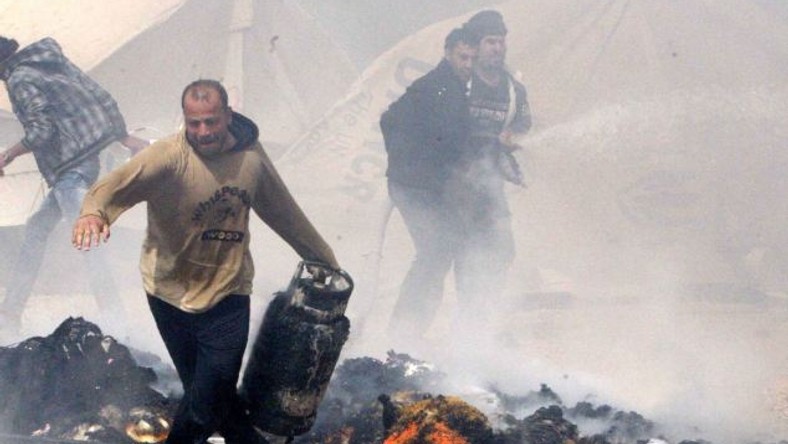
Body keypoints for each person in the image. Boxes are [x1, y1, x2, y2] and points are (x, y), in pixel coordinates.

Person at [72, 79, 339, 444]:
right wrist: (93, 213)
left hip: (228, 293)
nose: (203, 132)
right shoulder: (167, 156)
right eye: (194, 123)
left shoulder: (251, 159)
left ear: (228, 115)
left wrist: (326, 261)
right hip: (167, 291)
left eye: (211, 121)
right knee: (214, 398)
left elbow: (285, 212)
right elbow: (112, 185)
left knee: (204, 403)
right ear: (184, 119)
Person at [0, 36, 148, 341]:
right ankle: (10, 313)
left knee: (88, 243)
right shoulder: (48, 61)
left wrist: (6, 154)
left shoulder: (19, 78)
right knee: (36, 229)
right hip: (87, 162)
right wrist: (121, 136)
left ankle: (116, 320)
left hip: (69, 171)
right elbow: (101, 96)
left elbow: (41, 130)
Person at [380, 27, 476, 343]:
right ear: (448, 53)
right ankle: (403, 332)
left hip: (424, 184)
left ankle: (410, 330)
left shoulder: (452, 88)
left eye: (472, 58)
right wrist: (407, 161)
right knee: (434, 251)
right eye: (463, 57)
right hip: (412, 185)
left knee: (443, 249)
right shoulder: (436, 87)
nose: (468, 64)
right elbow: (389, 120)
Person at [450, 10, 531, 334]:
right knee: (467, 252)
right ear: (477, 46)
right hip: (456, 182)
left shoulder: (513, 91)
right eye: (490, 42)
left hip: (491, 183)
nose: (497, 49)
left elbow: (524, 125)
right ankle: (469, 323)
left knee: (502, 250)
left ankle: (484, 316)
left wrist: (514, 137)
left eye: (501, 42)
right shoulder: (460, 83)